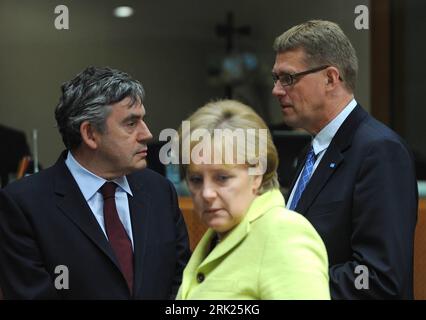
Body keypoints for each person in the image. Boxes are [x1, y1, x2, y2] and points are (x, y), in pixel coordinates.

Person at [0, 66, 190, 299]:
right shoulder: (24, 204)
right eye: (131, 123)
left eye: (143, 120)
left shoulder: (159, 190)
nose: (147, 134)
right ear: (90, 134)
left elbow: (182, 282)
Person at [272, 20, 418, 299]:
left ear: (330, 78)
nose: (277, 90)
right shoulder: (311, 151)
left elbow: (377, 277)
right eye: (276, 78)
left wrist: (281, 285)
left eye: (288, 78)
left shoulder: (380, 151)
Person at [176, 99, 330, 299]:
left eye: (222, 178)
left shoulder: (282, 232)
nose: (206, 193)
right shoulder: (217, 236)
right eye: (196, 179)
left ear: (257, 174)